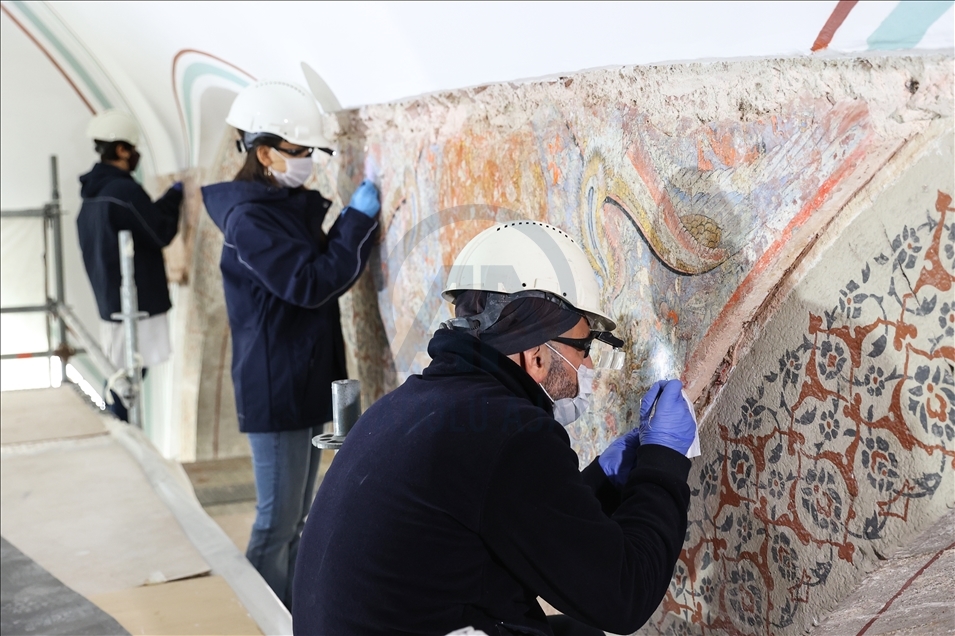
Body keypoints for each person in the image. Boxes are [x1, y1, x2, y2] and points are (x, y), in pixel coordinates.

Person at [293, 221, 699, 635]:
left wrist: (604, 481)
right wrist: (663, 460)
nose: (589, 367)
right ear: (536, 355)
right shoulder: (510, 433)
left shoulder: (410, 403)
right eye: (583, 348)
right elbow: (624, 596)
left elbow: (520, 521)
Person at [201, 79, 380, 608]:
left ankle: (296, 613)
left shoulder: (277, 204)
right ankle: (263, 619)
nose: (307, 163)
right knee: (275, 522)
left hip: (300, 374)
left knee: (299, 519)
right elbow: (309, 283)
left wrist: (350, 222)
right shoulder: (249, 217)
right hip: (276, 385)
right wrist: (356, 221)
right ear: (263, 152)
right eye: (299, 153)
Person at [77, 109, 182, 422]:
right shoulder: (122, 191)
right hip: (134, 303)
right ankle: (121, 441)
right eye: (134, 149)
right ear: (122, 149)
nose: (136, 155)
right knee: (127, 383)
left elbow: (143, 221)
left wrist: (165, 199)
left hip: (112, 303)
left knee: (121, 377)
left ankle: (118, 432)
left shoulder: (93, 193)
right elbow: (158, 231)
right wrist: (175, 198)